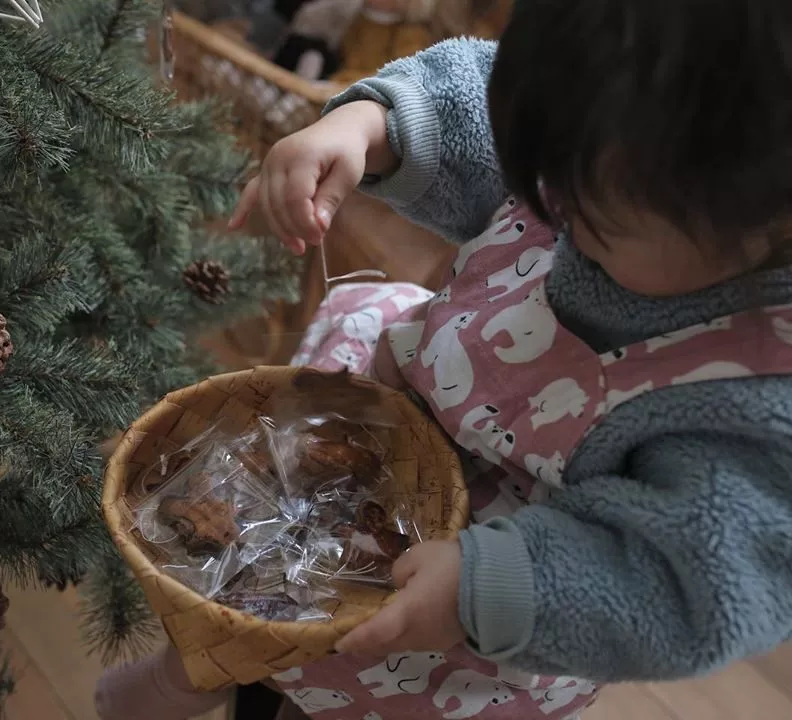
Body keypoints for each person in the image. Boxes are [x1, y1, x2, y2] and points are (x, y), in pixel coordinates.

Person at [96, 1, 792, 718]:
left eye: (597, 219)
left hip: (472, 611)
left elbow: (697, 586)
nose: (551, 209)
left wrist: (484, 590)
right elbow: (482, 98)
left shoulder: (759, 394)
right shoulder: (601, 130)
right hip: (395, 439)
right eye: (546, 175)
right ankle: (224, 668)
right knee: (277, 587)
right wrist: (370, 127)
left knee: (351, 668)